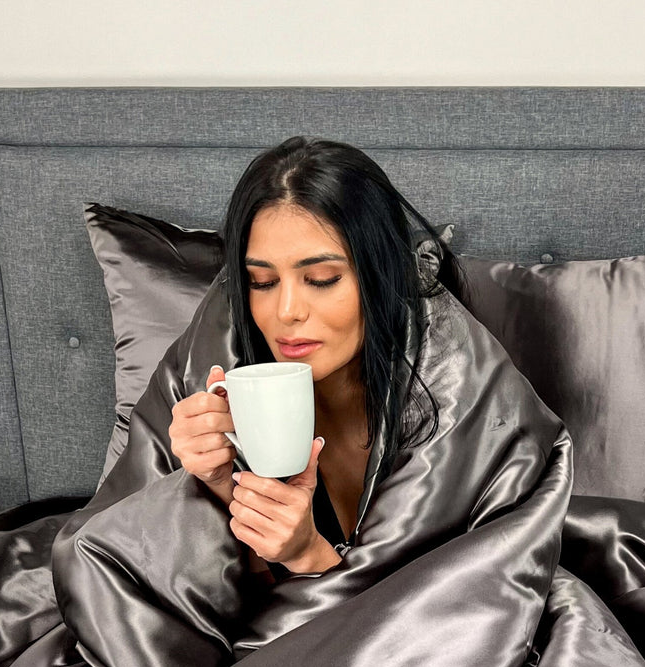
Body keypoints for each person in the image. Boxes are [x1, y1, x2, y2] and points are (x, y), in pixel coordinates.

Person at [166, 136, 462, 583]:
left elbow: (462, 611)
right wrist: (218, 486)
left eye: (321, 279)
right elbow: (120, 562)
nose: (286, 312)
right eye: (263, 282)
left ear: (379, 276)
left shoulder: (457, 387)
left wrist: (309, 555)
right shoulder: (211, 358)